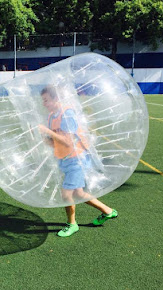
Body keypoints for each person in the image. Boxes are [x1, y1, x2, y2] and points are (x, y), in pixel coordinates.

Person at [38, 85, 118, 237]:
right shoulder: (51, 116)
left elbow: (68, 142)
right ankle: (108, 211)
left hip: (77, 159)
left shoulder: (67, 114)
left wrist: (47, 132)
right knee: (79, 194)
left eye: (46, 100)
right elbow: (54, 142)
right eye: (43, 100)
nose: (44, 103)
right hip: (65, 159)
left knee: (66, 194)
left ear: (56, 99)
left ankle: (72, 224)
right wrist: (42, 137)